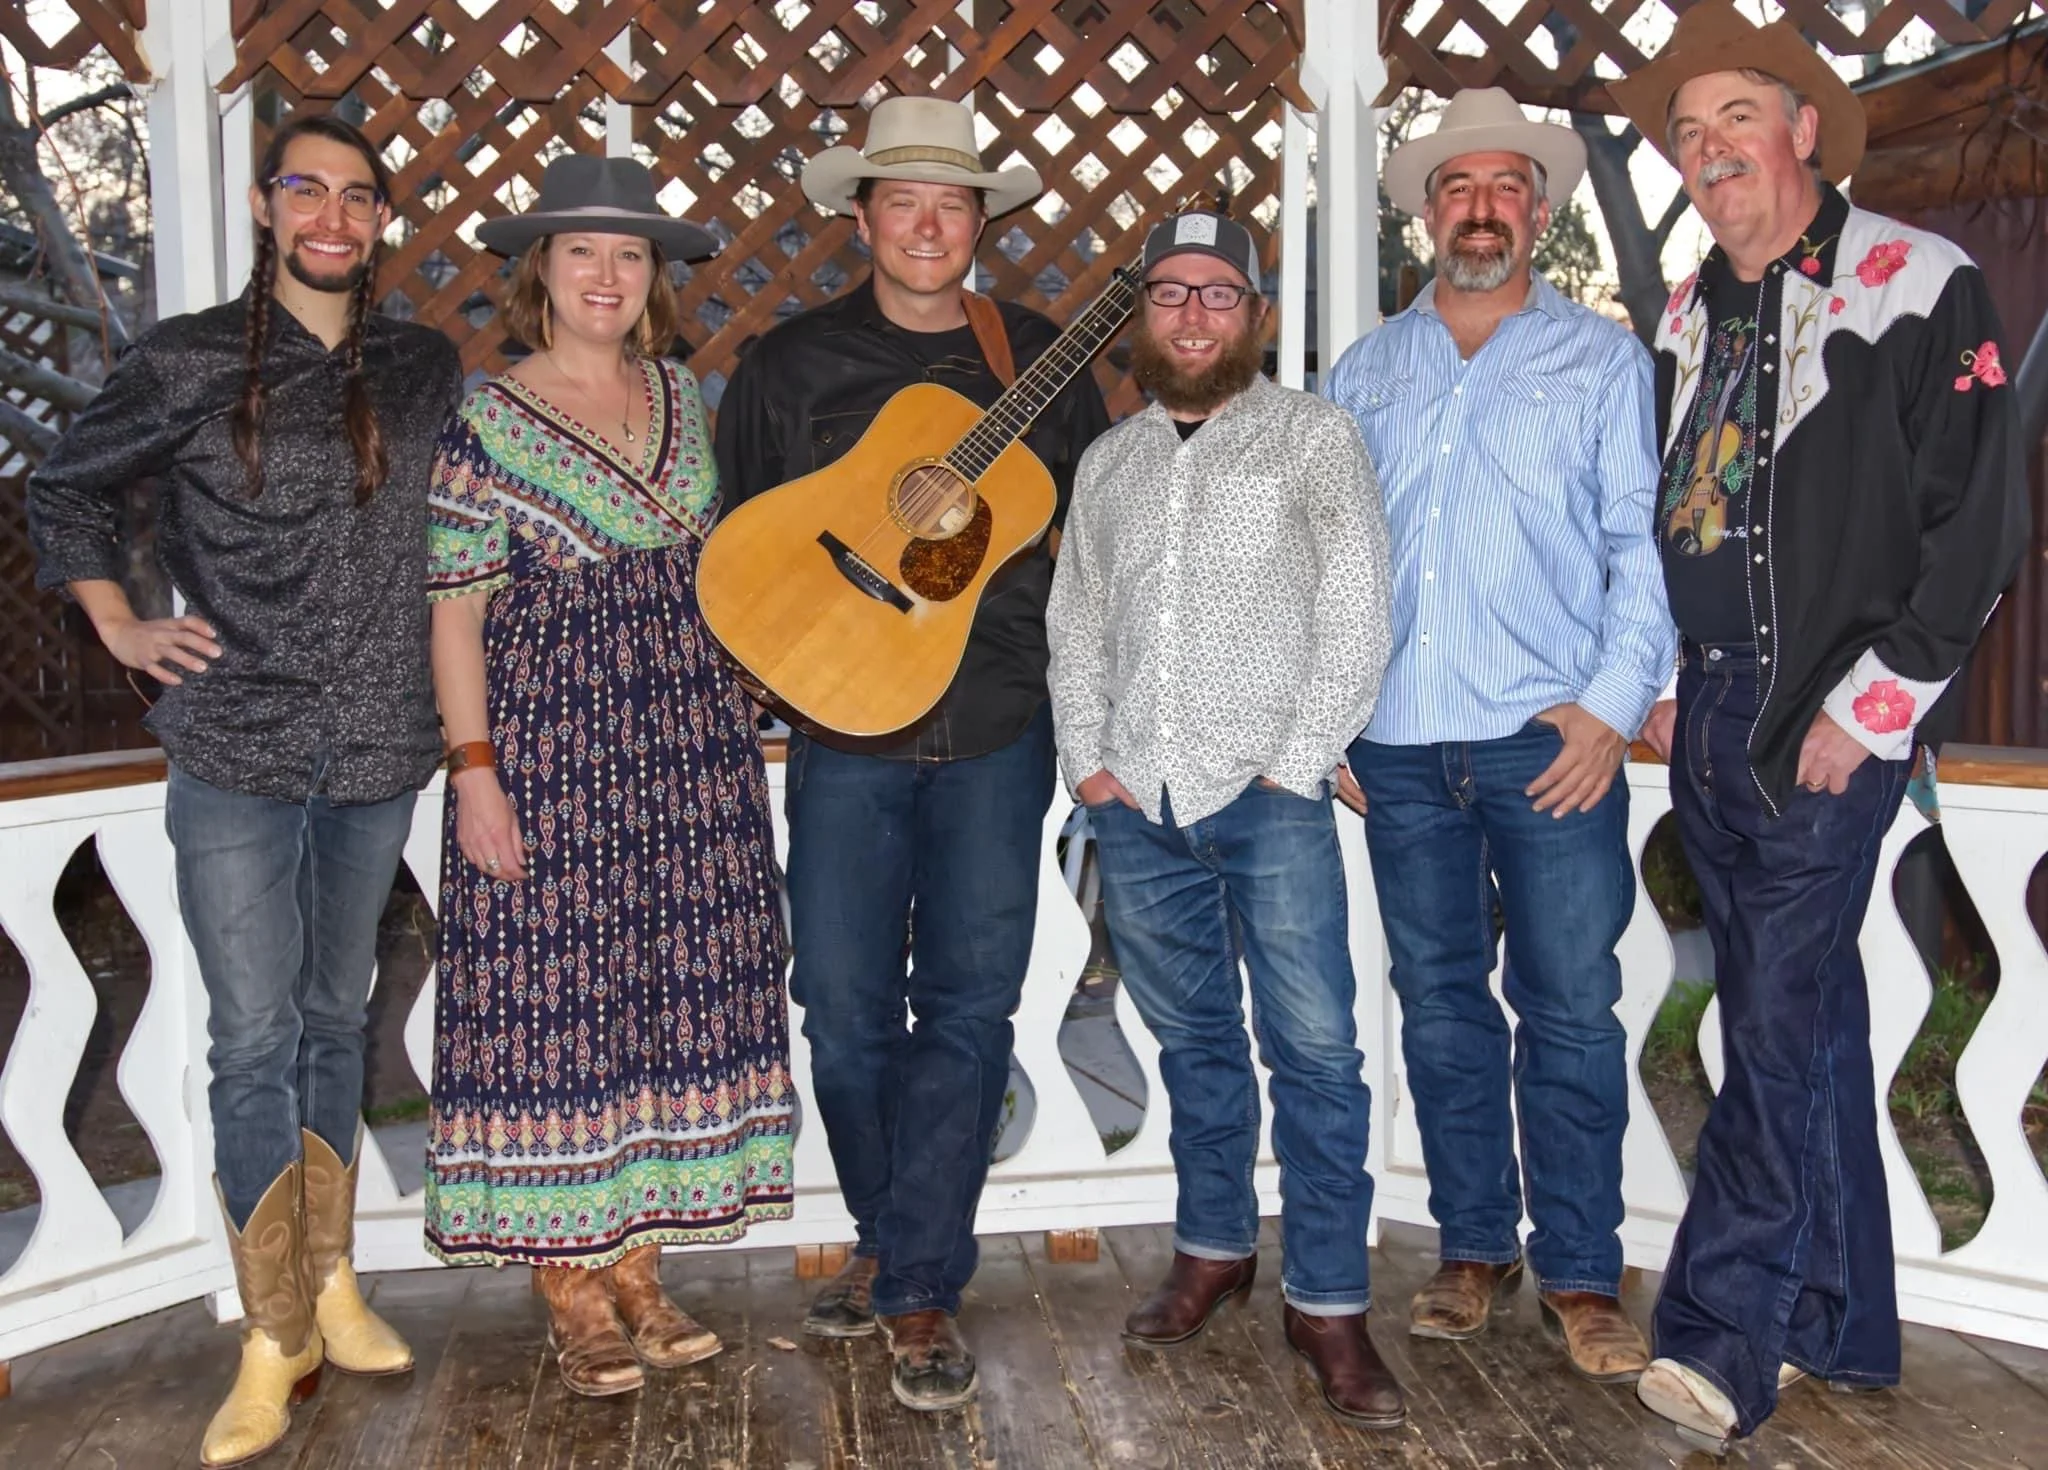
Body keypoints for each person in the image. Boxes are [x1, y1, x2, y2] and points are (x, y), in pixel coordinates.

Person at [1606, 1, 2027, 1449]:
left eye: (1736, 117)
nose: (1709, 148)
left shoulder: (1922, 281)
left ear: (1803, 129)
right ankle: (1847, 1316)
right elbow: (1677, 512)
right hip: (1714, 707)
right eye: (1686, 131)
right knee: (1812, 1016)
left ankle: (1731, 1338)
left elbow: (1975, 520)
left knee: (1771, 1029)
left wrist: (1877, 704)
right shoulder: (1681, 309)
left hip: (1827, 710)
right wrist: (1665, 667)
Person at [27, 114, 461, 1466]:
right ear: (271, 209)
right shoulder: (186, 359)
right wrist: (122, 624)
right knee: (252, 1030)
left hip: (382, 741)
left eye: (358, 195)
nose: (332, 214)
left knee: (340, 1011)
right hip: (236, 743)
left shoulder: (423, 364)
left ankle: (330, 1275)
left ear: (383, 218)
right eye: (307, 190)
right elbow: (67, 491)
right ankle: (272, 1330)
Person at [712, 95, 1109, 1412]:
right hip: (846, 728)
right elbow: (751, 546)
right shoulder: (791, 365)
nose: (928, 223)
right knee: (836, 997)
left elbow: (1100, 542)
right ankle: (898, 1240)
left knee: (973, 1003)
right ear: (862, 214)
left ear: (978, 222)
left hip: (998, 720)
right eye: (903, 199)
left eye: (953, 202)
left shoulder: (1040, 357)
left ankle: (921, 1279)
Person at [422, 156, 794, 1398]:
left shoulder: (687, 395)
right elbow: (455, 614)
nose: (606, 274)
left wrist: (750, 684)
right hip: (547, 751)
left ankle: (638, 1263)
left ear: (654, 282)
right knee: (555, 1012)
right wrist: (474, 774)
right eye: (582, 251)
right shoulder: (487, 416)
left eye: (630, 256)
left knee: (658, 995)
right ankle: (570, 1288)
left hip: (686, 750)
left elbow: (723, 569)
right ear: (543, 272)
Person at [1323, 89, 1673, 1385]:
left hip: (1551, 742)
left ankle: (1582, 1268)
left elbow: (1638, 547)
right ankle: (1474, 1245)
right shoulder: (1363, 372)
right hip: (1402, 747)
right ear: (1429, 212)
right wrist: (1330, 721)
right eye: (1457, 186)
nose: (1480, 207)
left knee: (1573, 1007)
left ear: (1539, 209)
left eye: (1505, 186)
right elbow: (1329, 559)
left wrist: (1612, 704)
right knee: (1441, 1004)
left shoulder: (1601, 363)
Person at [1047, 209, 1402, 1427]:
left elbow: (1358, 610)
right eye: (1167, 294)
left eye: (1216, 295)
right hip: (1137, 806)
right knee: (1192, 1045)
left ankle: (1329, 1303)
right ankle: (1212, 1247)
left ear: (1253, 315)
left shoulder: (1312, 438)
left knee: (1314, 1055)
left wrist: (1293, 766)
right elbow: (1074, 620)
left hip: (1268, 802)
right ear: (1140, 317)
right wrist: (1086, 763)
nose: (1191, 315)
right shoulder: (1110, 461)